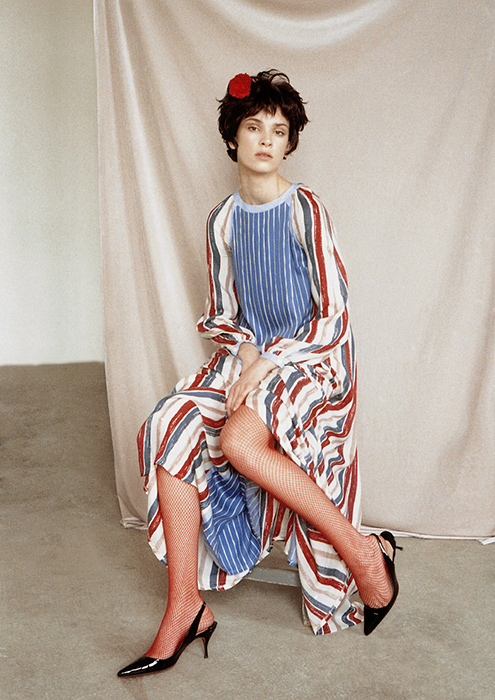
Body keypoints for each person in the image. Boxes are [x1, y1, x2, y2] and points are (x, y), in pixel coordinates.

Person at [117, 70, 401, 678]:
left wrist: (270, 361)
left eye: (278, 130)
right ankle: (185, 607)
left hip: (312, 361)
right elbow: (223, 311)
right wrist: (248, 356)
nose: (267, 139)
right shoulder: (221, 219)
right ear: (233, 139)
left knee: (240, 442)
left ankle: (362, 553)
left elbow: (333, 313)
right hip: (251, 361)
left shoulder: (305, 210)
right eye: (254, 127)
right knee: (170, 425)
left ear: (290, 142)